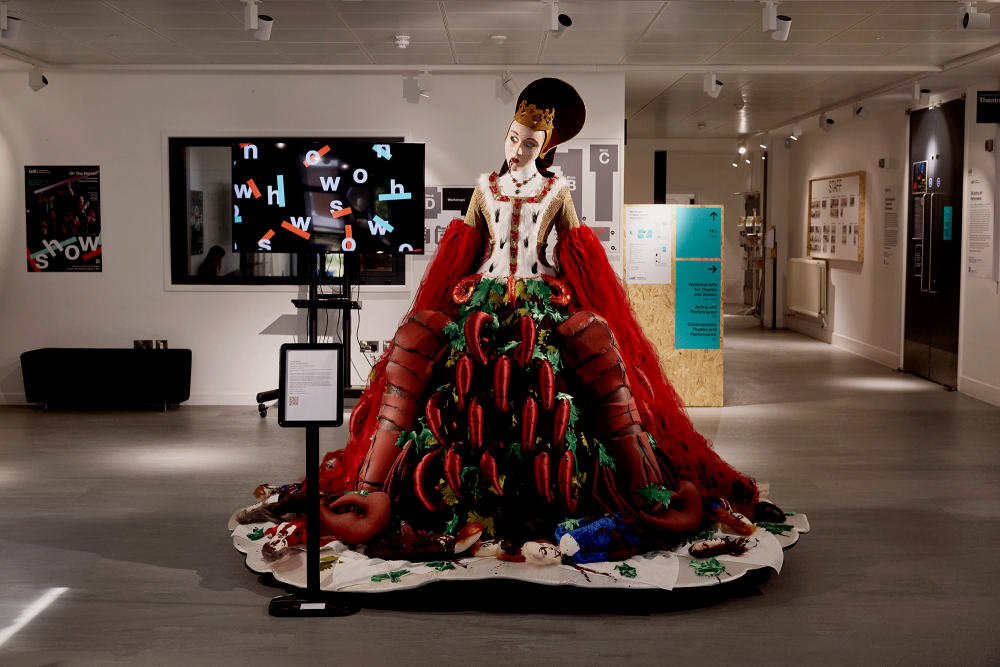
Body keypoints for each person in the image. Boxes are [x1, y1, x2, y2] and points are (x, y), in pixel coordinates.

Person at [241, 79, 769, 558]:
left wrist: (566, 287)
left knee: (594, 351)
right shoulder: (484, 188)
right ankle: (373, 487)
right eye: (513, 137)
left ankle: (639, 487)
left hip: (539, 296)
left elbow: (577, 255)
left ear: (547, 147)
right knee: (416, 345)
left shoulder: (557, 191)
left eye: (530, 143)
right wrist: (457, 291)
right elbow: (465, 251)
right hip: (484, 297)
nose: (518, 150)